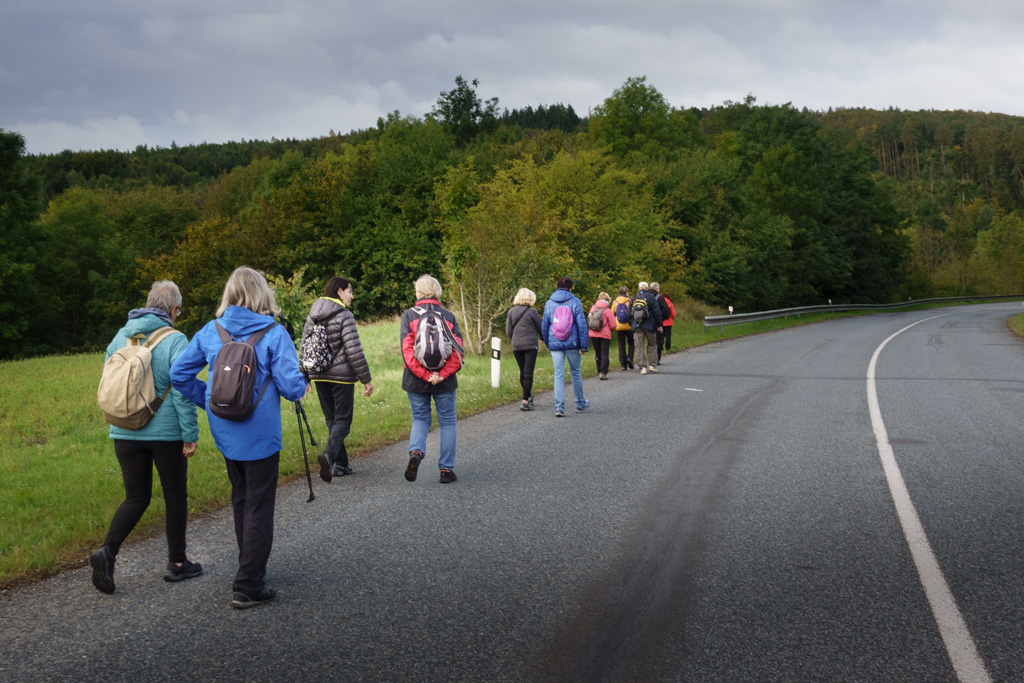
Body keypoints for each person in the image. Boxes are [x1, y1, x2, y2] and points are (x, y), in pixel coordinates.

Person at [170, 267, 309, 610]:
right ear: (261, 294)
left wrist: (207, 398)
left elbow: (178, 373)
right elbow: (293, 388)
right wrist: (303, 383)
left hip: (225, 430)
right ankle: (248, 583)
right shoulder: (274, 334)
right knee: (260, 502)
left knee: (241, 497)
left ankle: (249, 566)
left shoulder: (209, 331)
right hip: (260, 433)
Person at [90, 280, 201, 595]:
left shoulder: (120, 335)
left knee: (136, 497)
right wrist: (190, 434)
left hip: (123, 430)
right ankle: (178, 563)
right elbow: (181, 390)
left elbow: (110, 381)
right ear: (175, 310)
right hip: (165, 434)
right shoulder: (175, 339)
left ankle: (108, 552)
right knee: (175, 495)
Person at [301, 276, 374, 482]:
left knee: (332, 420)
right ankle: (329, 455)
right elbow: (354, 351)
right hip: (341, 376)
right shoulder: (345, 315)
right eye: (350, 291)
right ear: (340, 292)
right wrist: (366, 379)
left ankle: (340, 465)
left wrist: (305, 376)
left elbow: (304, 346)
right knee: (342, 420)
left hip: (318, 374)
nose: (352, 296)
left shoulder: (313, 313)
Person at [400, 274, 464, 484]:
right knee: (447, 423)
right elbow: (458, 352)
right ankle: (446, 470)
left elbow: (407, 352)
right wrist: (442, 374)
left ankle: (416, 453)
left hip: (415, 380)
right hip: (444, 381)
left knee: (420, 418)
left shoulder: (409, 316)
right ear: (437, 293)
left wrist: (425, 375)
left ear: (418, 293)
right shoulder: (448, 316)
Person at [541, 277, 589, 417]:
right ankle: (580, 404)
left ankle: (559, 407)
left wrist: (546, 341)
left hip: (555, 343)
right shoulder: (575, 302)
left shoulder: (549, 303)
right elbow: (581, 325)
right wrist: (583, 345)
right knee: (575, 373)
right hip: (572, 343)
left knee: (558, 374)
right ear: (570, 288)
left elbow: (545, 324)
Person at [506, 287, 543, 411]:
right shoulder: (532, 312)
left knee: (522, 372)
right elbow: (540, 327)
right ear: (530, 298)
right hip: (530, 345)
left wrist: (515, 339)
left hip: (516, 345)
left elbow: (508, 331)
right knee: (528, 374)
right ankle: (525, 401)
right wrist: (543, 338)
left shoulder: (511, 312)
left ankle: (528, 396)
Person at [631, 281, 663, 375]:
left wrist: (632, 324)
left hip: (637, 326)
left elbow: (629, 313)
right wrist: (659, 324)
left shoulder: (634, 297)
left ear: (639, 288)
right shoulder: (651, 297)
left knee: (639, 346)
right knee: (652, 344)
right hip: (650, 325)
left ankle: (642, 367)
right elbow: (657, 311)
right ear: (647, 288)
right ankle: (652, 365)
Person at [587, 292, 616, 380]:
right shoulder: (607, 310)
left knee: (597, 352)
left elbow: (589, 320)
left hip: (593, 334)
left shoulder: (593, 308)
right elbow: (613, 325)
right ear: (607, 300)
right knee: (604, 353)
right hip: (604, 335)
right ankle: (603, 372)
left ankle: (599, 370)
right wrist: (609, 330)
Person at [650, 282, 673, 365]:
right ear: (657, 289)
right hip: (657, 323)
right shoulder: (659, 298)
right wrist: (660, 318)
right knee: (657, 341)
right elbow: (667, 312)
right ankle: (656, 359)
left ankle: (648, 359)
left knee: (649, 342)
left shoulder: (645, 296)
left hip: (646, 323)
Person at [612, 286, 635, 371]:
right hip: (629, 326)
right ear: (627, 293)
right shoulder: (630, 301)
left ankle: (623, 364)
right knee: (631, 343)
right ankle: (630, 358)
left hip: (619, 327)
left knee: (621, 345)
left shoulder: (615, 302)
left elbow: (612, 314)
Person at [655, 283, 676, 359]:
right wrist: (671, 318)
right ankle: (668, 348)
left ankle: (661, 347)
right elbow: (673, 313)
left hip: (661, 322)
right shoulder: (670, 303)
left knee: (661, 336)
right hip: (669, 322)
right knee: (668, 336)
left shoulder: (659, 301)